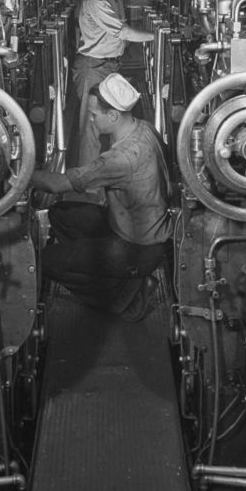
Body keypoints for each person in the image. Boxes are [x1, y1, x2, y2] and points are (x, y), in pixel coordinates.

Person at [31, 73, 172, 322]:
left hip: (138, 247)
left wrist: (19, 174)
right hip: (141, 227)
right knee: (59, 214)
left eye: (94, 115)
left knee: (47, 261)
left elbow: (58, 184)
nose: (91, 120)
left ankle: (124, 298)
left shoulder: (122, 158)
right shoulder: (144, 128)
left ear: (114, 115)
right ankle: (111, 272)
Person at [73, 0, 168, 168]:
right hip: (93, 68)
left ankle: (113, 172)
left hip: (110, 65)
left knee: (113, 120)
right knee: (91, 126)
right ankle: (88, 181)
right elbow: (124, 32)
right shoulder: (97, 0)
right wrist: (158, 35)